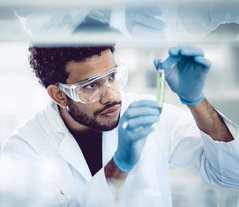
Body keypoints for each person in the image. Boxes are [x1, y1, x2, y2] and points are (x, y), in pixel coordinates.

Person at [0, 44, 239, 207]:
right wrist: (119, 165)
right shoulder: (25, 149)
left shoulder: (145, 111)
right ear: (59, 95)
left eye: (113, 76)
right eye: (91, 86)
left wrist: (195, 100)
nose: (111, 96)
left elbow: (230, 174)